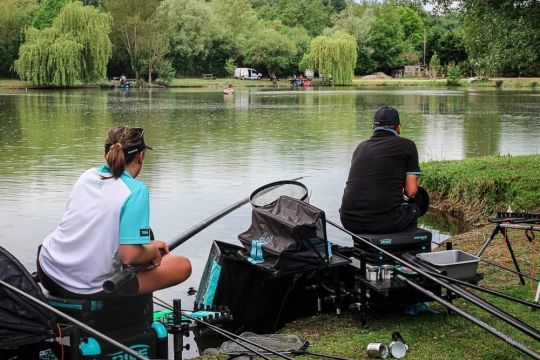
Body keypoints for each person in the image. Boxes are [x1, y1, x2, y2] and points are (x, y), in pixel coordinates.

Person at [37, 126, 191, 299]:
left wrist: (150, 245)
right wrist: (153, 252)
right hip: (89, 288)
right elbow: (129, 256)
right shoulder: (136, 191)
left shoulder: (87, 176)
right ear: (140, 157)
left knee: (146, 238)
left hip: (48, 271)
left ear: (106, 155)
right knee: (182, 265)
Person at [340, 106, 428, 234]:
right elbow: (411, 192)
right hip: (385, 222)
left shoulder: (360, 147)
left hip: (348, 220)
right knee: (420, 202)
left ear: (373, 127)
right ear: (398, 127)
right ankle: (405, 246)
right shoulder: (407, 145)